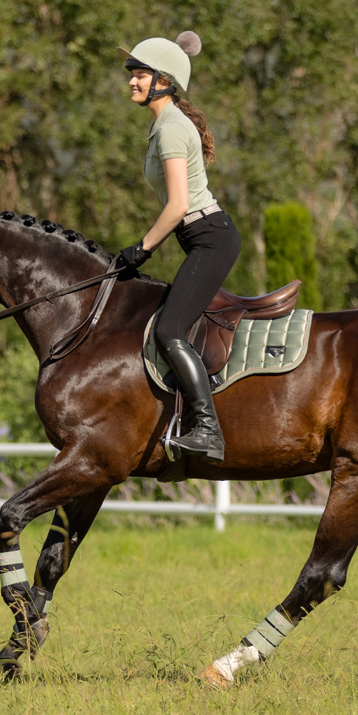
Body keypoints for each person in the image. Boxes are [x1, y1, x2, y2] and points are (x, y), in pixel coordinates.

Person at [116, 32, 241, 463]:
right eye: (131, 74)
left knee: (169, 330)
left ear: (164, 81)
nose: (132, 81)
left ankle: (207, 429)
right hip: (202, 237)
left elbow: (179, 205)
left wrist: (143, 248)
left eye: (141, 74)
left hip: (209, 237)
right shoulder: (163, 124)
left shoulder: (170, 129)